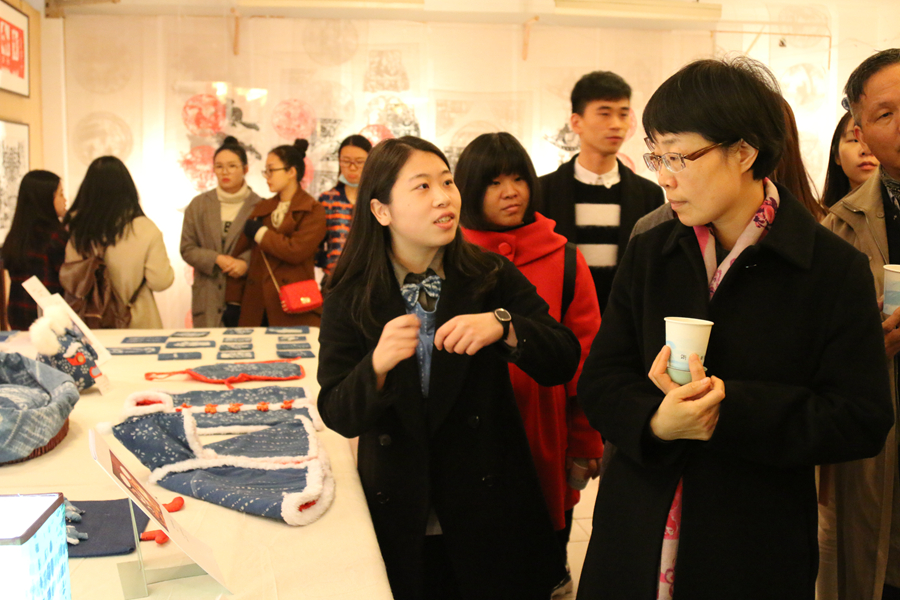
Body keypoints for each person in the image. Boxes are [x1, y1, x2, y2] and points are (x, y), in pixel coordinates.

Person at [577, 57, 893, 600]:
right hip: (637, 529)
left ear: (744, 152)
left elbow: (860, 419)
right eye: (657, 156)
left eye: (679, 156)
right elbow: (601, 381)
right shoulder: (652, 251)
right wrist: (656, 421)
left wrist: (729, 409)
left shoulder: (830, 267)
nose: (664, 176)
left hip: (754, 541)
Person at [317, 136, 581, 600]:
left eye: (447, 182)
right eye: (422, 186)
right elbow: (337, 412)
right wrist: (375, 365)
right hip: (401, 507)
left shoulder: (489, 275)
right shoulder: (350, 293)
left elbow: (563, 356)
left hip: (487, 504)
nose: (444, 198)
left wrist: (504, 326)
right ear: (381, 210)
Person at [455, 131, 603, 597]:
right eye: (494, 181)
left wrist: (584, 438)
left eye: (518, 178)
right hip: (468, 435)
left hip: (544, 427)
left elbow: (585, 356)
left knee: (544, 556)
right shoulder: (447, 254)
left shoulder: (564, 257)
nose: (510, 192)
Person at [821, 48, 900, 600]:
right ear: (860, 132)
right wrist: (864, 344)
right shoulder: (840, 226)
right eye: (886, 114)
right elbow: (814, 349)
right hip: (882, 448)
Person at [539, 70, 665, 312]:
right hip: (559, 318)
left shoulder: (649, 195)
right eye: (605, 113)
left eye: (623, 114)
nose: (616, 124)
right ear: (576, 122)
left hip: (624, 319)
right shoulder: (542, 192)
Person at [632, 96, 825, 237]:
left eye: (675, 158)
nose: (663, 180)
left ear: (744, 152)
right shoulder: (649, 243)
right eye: (658, 158)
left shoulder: (825, 248)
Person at [63, 156, 174, 329]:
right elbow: (161, 281)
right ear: (128, 188)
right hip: (138, 324)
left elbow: (71, 279)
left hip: (91, 325)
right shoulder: (146, 229)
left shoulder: (77, 229)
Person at [225, 139, 326, 327]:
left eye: (271, 170)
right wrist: (233, 301)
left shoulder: (313, 210)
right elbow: (241, 253)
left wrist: (262, 233)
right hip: (256, 306)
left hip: (293, 305)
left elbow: (296, 251)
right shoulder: (261, 208)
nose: (267, 176)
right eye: (265, 171)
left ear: (291, 172)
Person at [180, 136, 262, 327]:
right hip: (207, 297)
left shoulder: (260, 206)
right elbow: (187, 248)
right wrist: (215, 258)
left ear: (245, 169)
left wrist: (245, 263)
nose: (225, 172)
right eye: (219, 166)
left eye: (232, 166)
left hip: (245, 296)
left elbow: (265, 250)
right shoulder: (199, 205)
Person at [2, 170, 68, 330]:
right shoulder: (56, 236)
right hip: (51, 319)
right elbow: (69, 280)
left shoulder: (16, 236)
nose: (65, 200)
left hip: (18, 316)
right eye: (60, 194)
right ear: (45, 199)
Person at [317, 135, 372, 284]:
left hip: (369, 280)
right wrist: (326, 261)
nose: (352, 168)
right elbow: (316, 242)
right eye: (346, 161)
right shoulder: (327, 199)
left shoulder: (377, 201)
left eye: (359, 162)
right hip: (335, 279)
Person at [821, 111, 880, 208]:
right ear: (837, 155)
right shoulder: (821, 215)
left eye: (876, 139)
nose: (866, 150)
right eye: (855, 140)